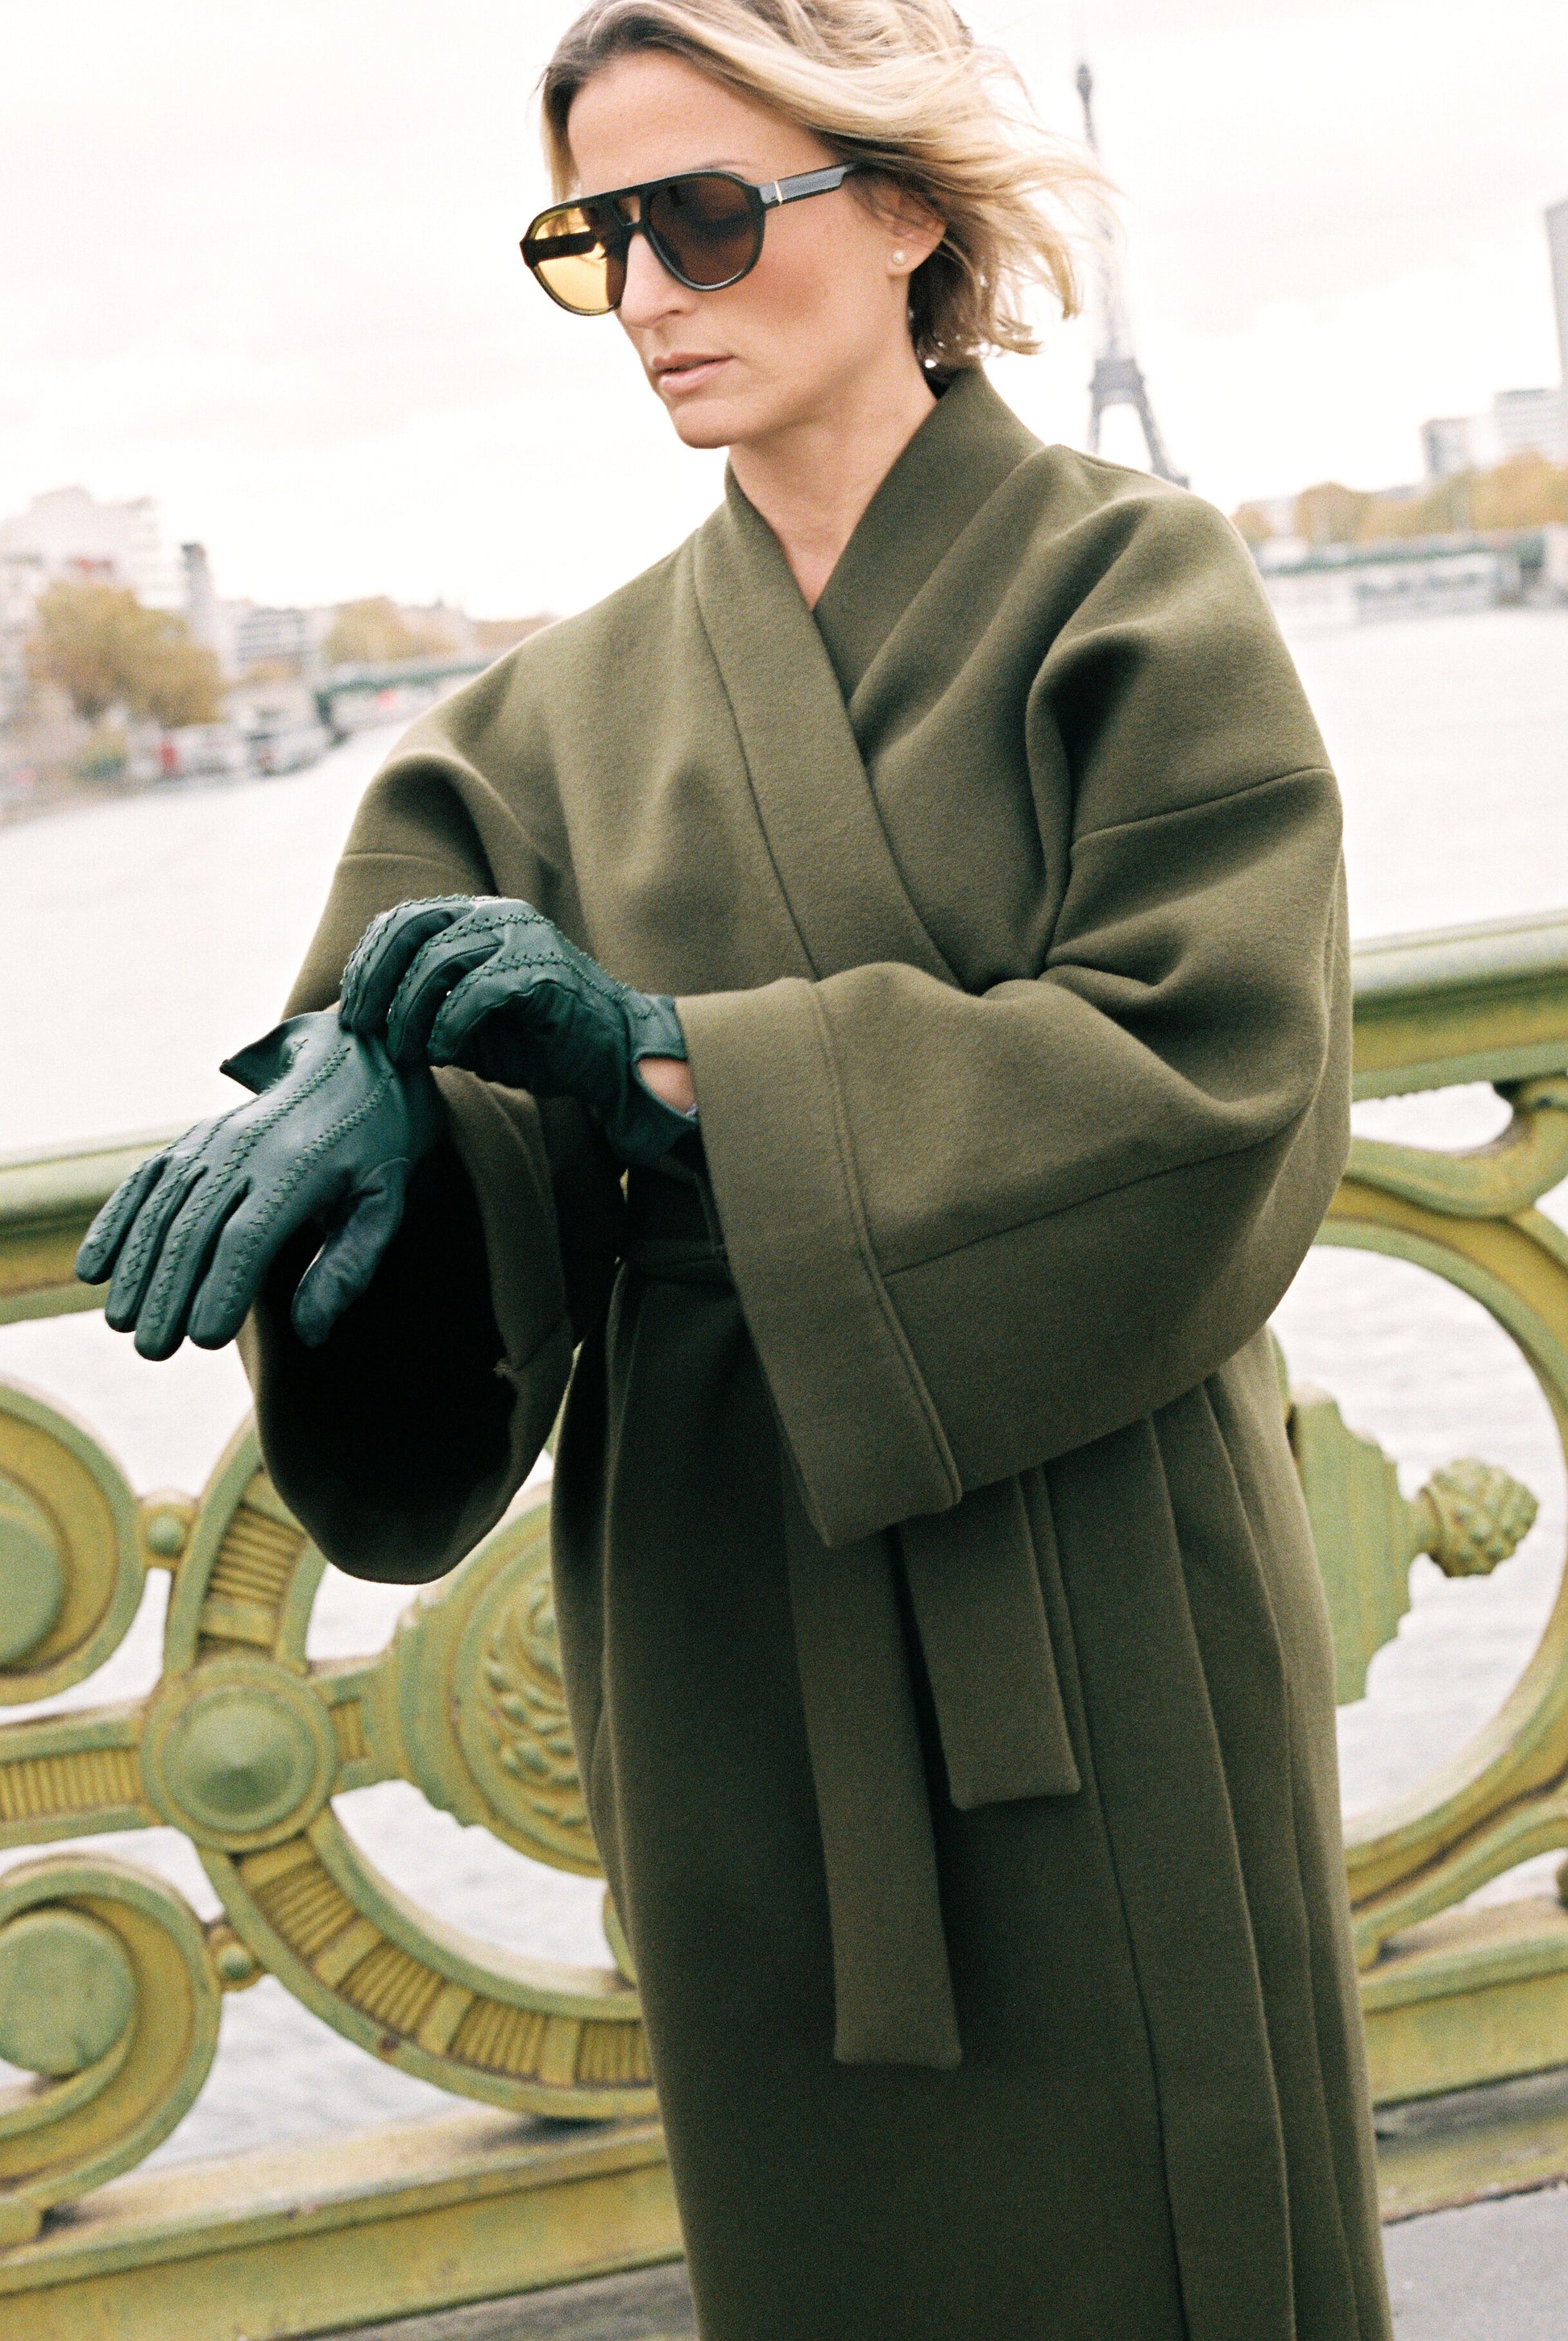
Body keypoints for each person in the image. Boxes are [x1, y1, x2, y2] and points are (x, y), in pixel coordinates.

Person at [78, 3, 1392, 2335]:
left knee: (1179, 2227)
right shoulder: (522, 731)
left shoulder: (1135, 589)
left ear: (903, 213)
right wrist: (397, 1130)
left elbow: (1211, 1068)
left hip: (1086, 1556)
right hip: (715, 1596)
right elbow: (438, 1177)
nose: (652, 292)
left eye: (703, 215)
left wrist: (670, 1057)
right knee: (826, 2242)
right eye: (595, 241)